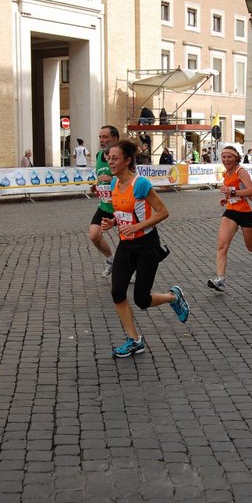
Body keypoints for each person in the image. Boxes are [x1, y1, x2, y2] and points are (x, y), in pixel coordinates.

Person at [101, 139, 190, 358]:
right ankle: (134, 340)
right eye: (108, 158)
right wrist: (113, 222)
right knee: (117, 292)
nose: (110, 162)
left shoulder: (140, 184)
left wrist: (137, 226)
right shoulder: (114, 184)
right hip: (126, 245)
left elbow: (162, 212)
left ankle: (173, 296)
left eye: (115, 158)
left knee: (142, 300)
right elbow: (123, 212)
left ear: (127, 160)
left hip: (147, 246)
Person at [207, 145, 252, 293]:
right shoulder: (226, 173)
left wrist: (232, 191)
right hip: (232, 211)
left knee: (251, 246)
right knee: (221, 245)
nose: (226, 160)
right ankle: (220, 280)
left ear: (236, 157)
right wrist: (226, 199)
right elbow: (233, 195)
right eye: (224, 157)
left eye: (229, 157)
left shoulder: (241, 171)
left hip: (248, 212)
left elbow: (251, 191)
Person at [89, 125, 120, 278]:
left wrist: (112, 179)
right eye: (100, 137)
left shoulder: (123, 156)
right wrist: (98, 187)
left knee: (127, 241)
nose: (101, 140)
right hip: (104, 204)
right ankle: (111, 261)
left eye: (105, 137)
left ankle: (131, 269)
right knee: (94, 235)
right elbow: (101, 177)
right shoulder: (99, 156)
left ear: (115, 139)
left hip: (121, 205)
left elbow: (131, 178)